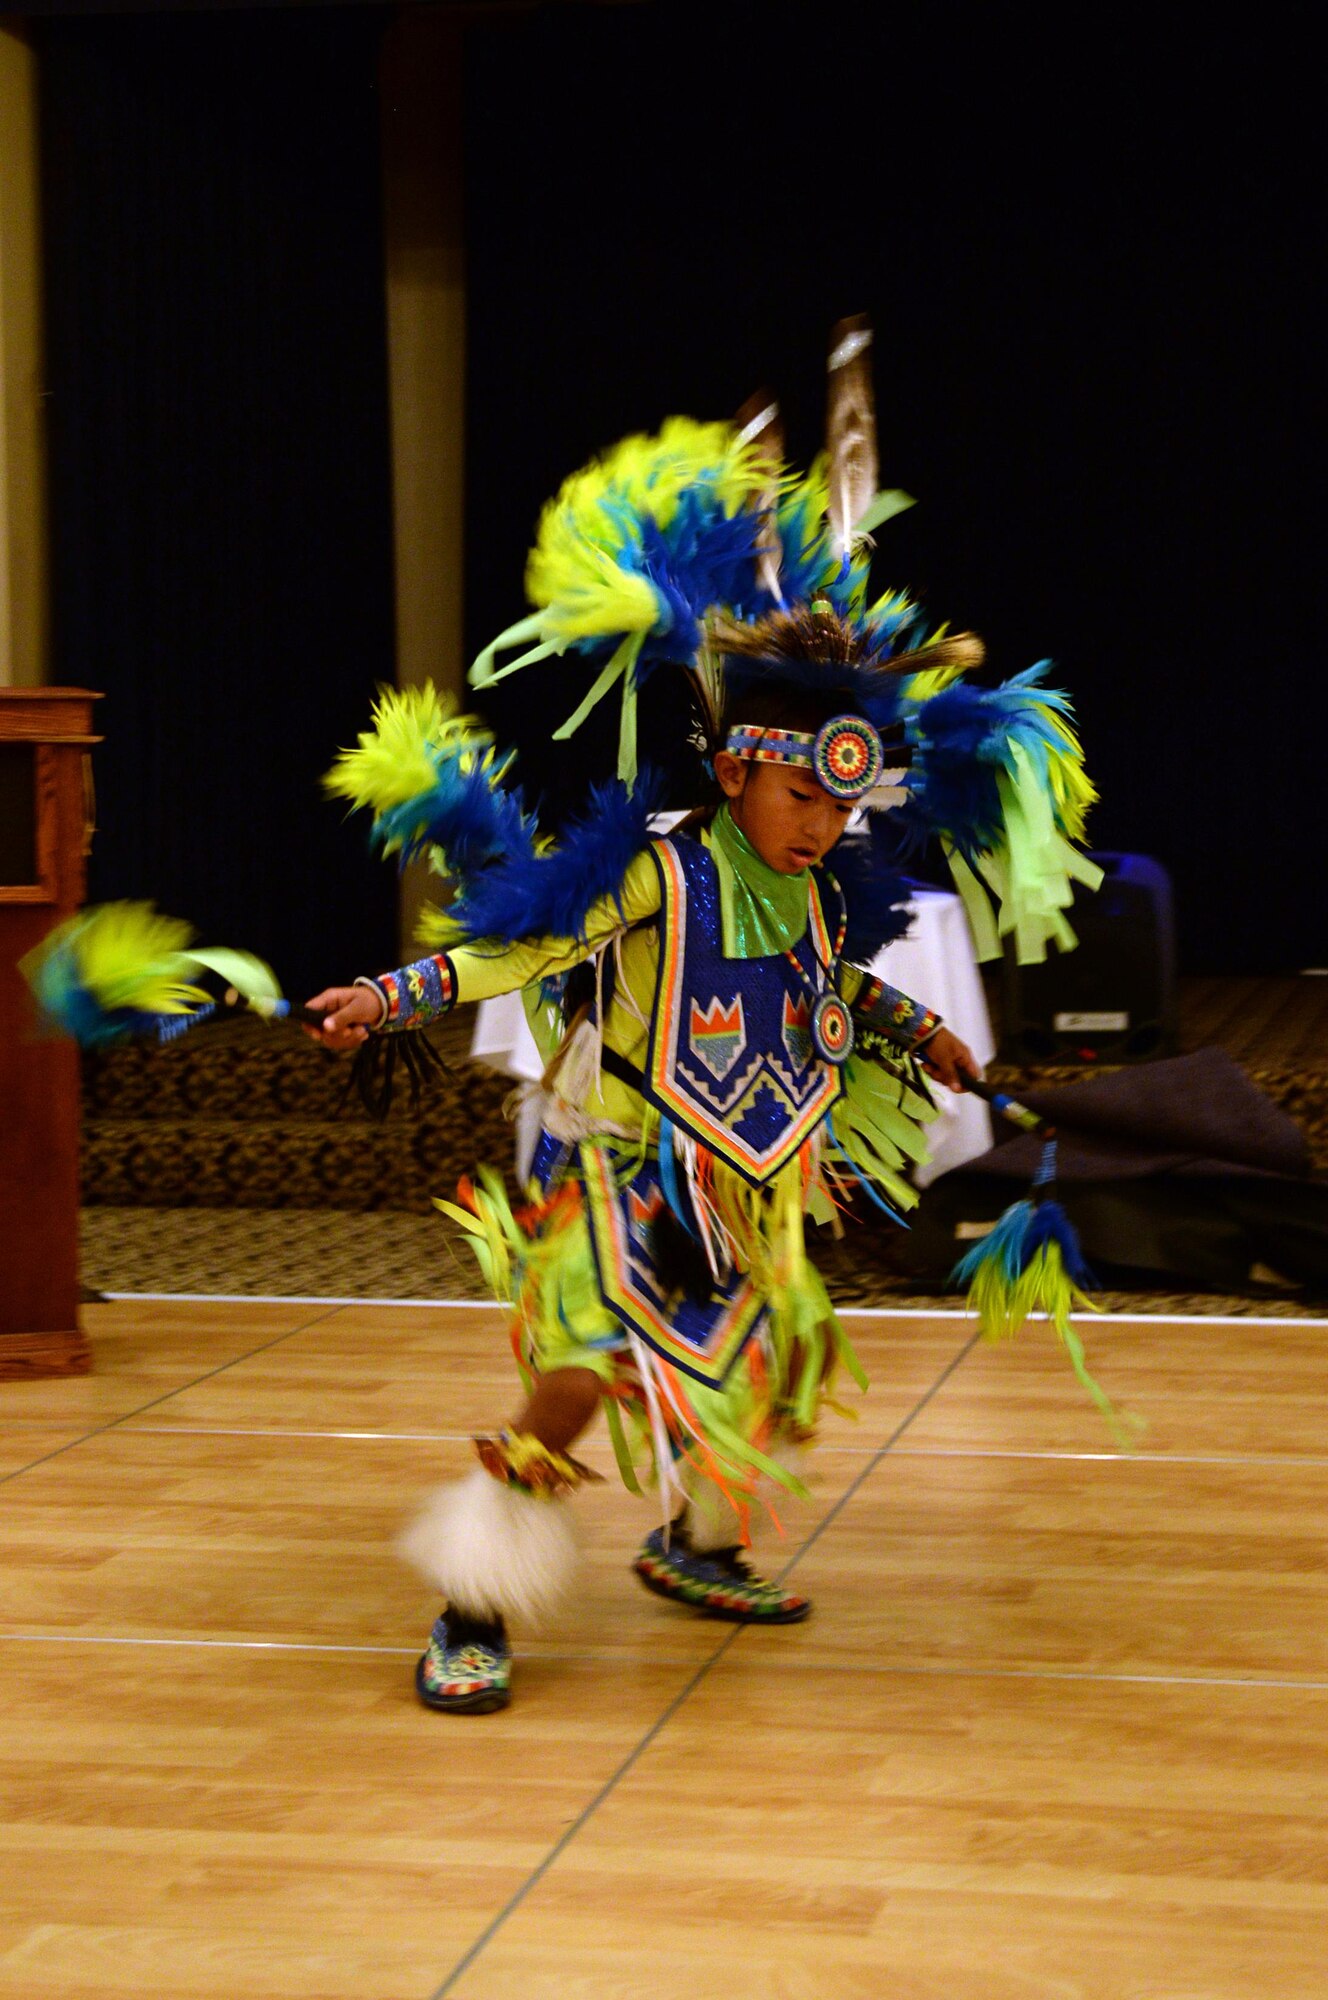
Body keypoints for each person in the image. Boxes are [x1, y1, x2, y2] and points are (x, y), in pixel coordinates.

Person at [308, 328, 1098, 1713]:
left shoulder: (813, 886)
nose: (828, 829)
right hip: (610, 1168)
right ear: (739, 768)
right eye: (806, 801)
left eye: (847, 810)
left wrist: (918, 1038)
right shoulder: (655, 871)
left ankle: (695, 1540)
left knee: (776, 1363)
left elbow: (817, 994)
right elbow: (519, 948)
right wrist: (393, 994)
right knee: (584, 1378)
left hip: (742, 1174)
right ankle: (474, 1603)